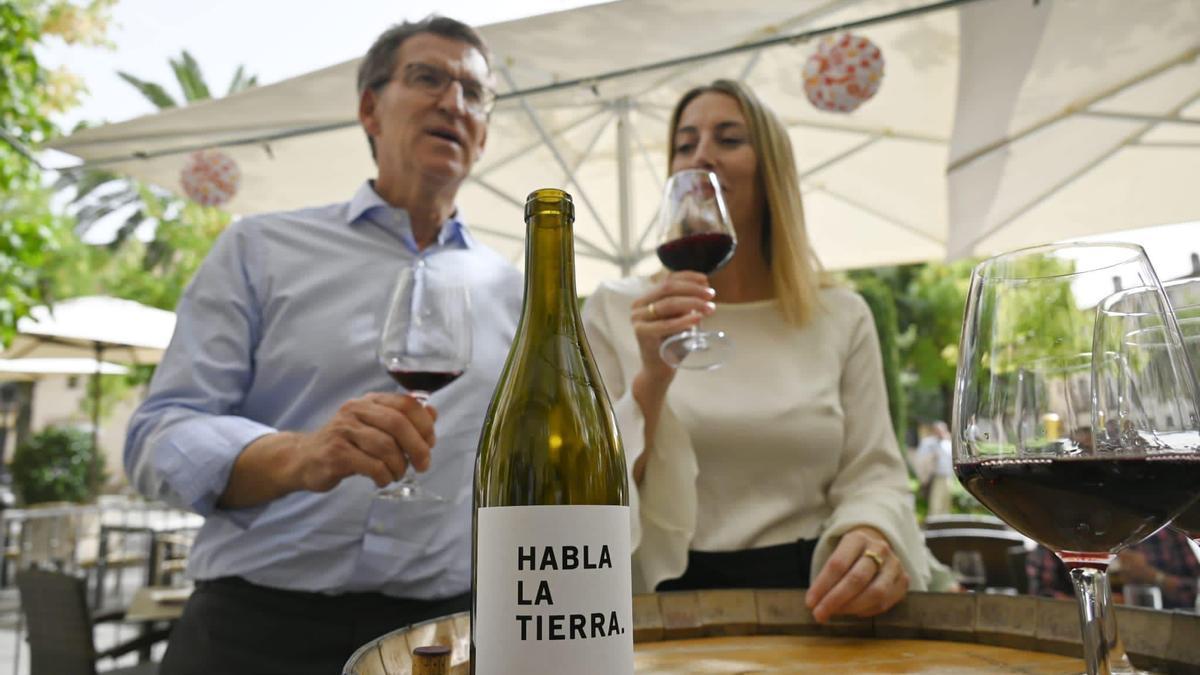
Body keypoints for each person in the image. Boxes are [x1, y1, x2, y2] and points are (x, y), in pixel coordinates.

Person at [124, 17, 522, 675]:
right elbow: (156, 438)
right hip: (252, 633)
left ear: (482, 132)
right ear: (370, 107)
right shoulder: (260, 248)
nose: (454, 102)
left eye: (474, 93)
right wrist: (296, 455)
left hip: (439, 641)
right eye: (428, 78)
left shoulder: (516, 289)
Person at [581, 79, 928, 623]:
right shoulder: (616, 309)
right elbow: (585, 490)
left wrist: (869, 532)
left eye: (729, 139)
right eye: (685, 143)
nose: (702, 156)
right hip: (655, 605)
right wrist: (653, 376)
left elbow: (875, 472)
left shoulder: (840, 315)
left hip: (812, 600)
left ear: (772, 172)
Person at [1027, 528, 1199, 609]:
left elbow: (1196, 591)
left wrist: (1155, 577)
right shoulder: (1060, 532)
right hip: (1075, 642)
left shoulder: (1165, 531)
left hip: (1166, 632)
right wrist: (1098, 604)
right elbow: (1040, 599)